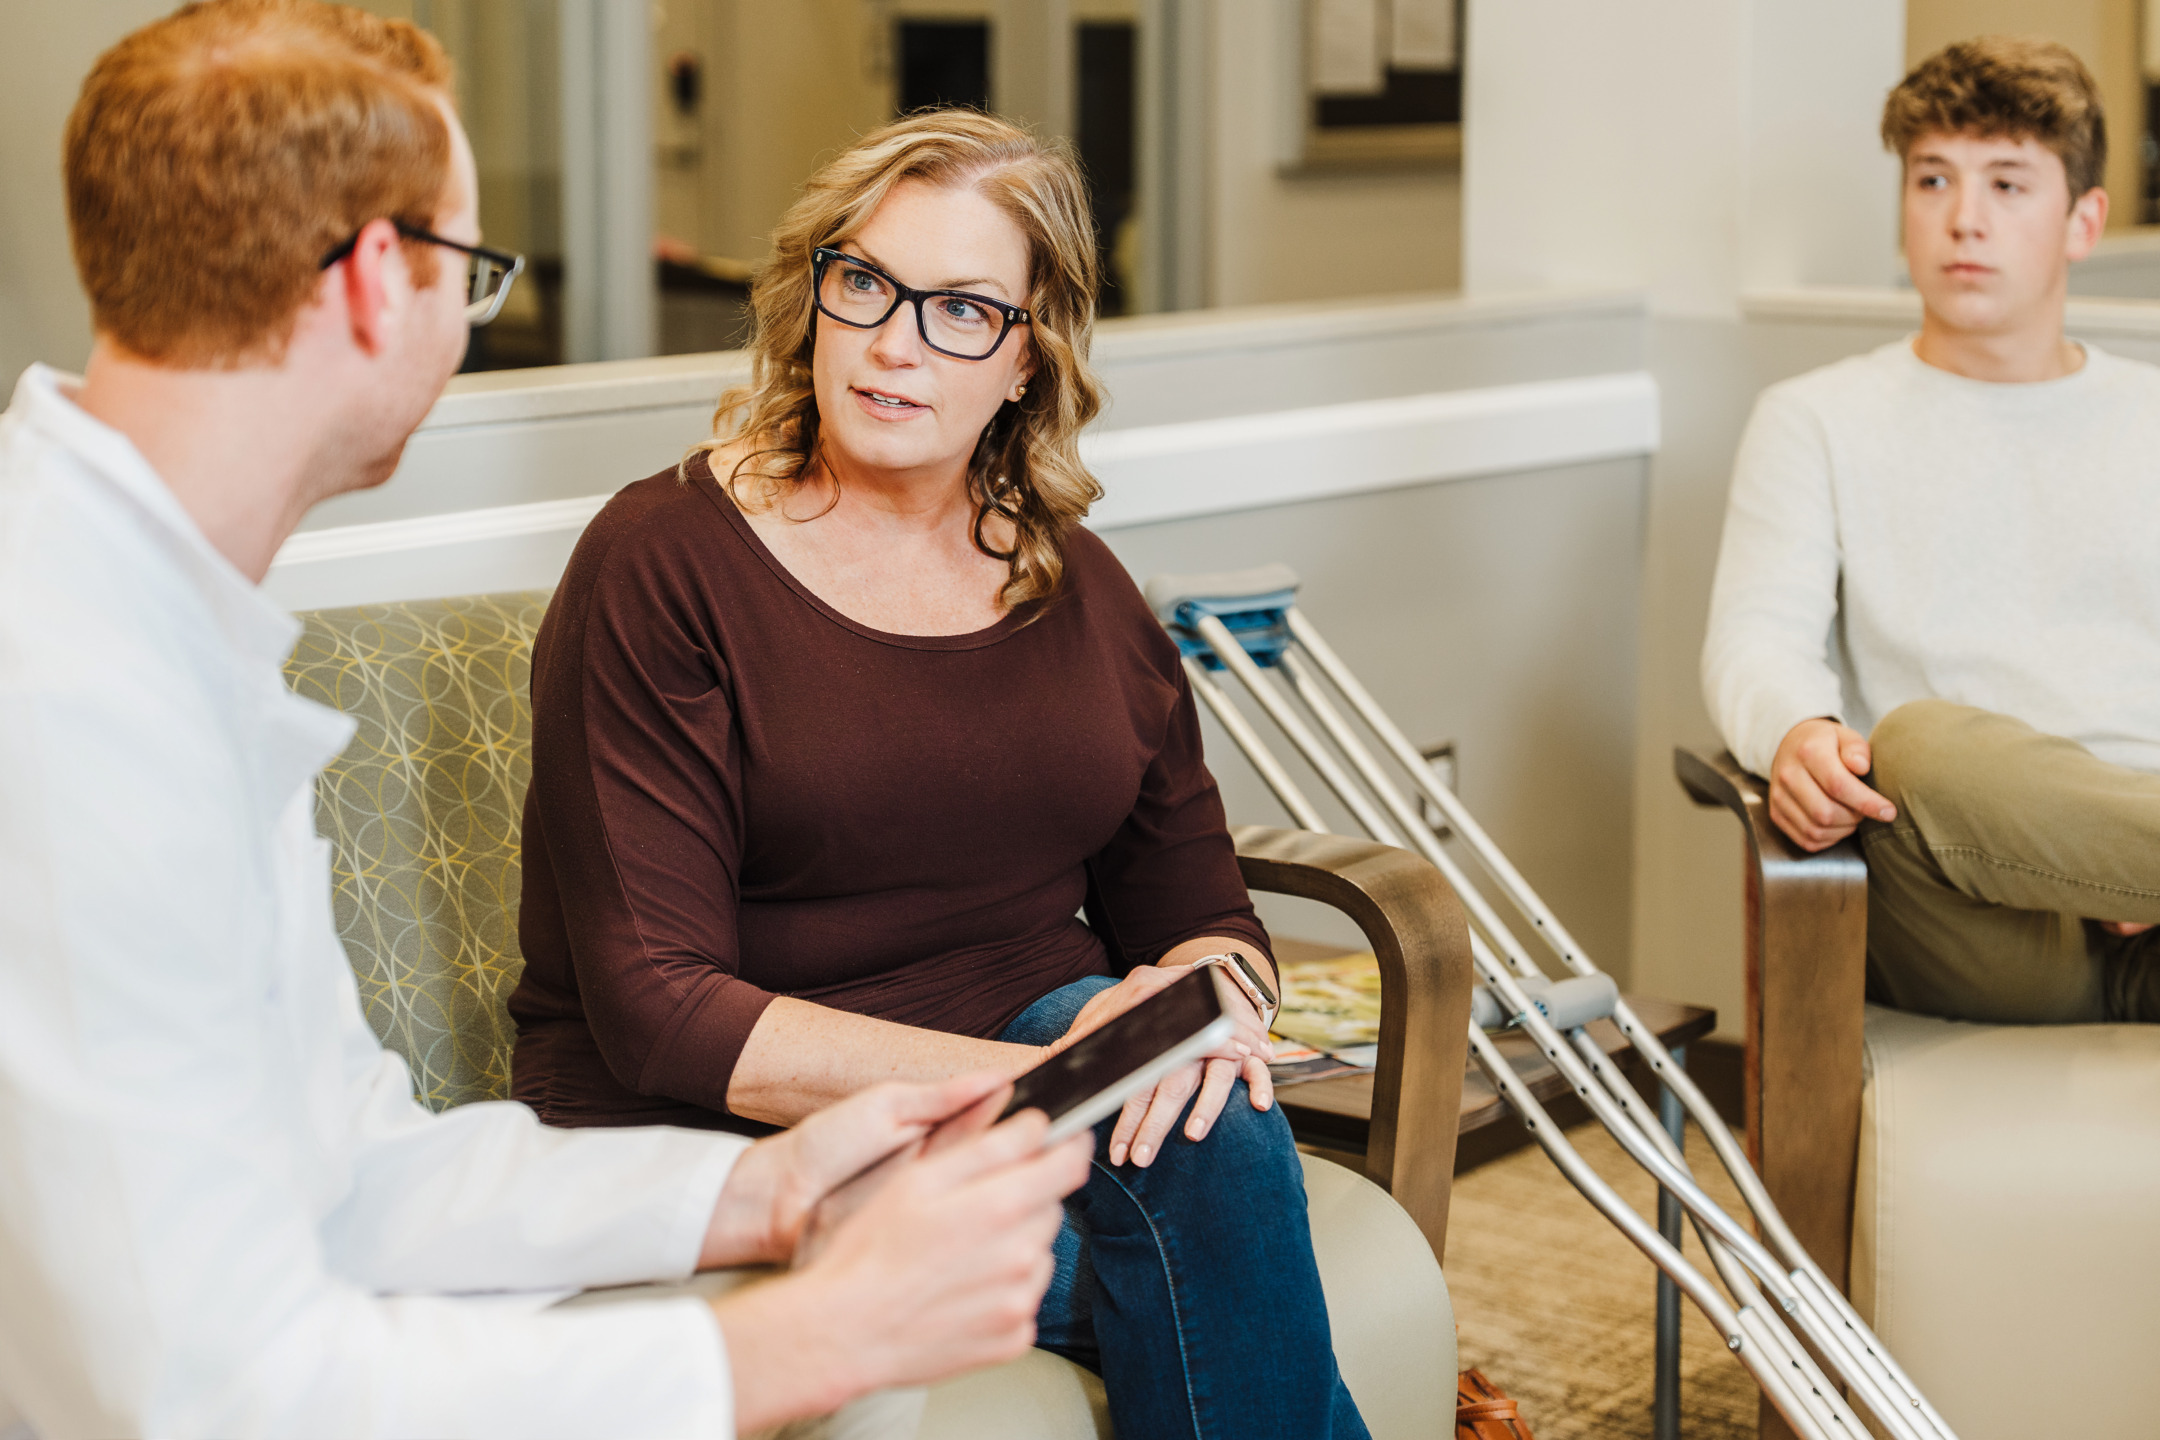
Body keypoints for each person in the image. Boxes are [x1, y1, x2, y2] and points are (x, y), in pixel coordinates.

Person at [0, 5, 1093, 1437]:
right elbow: (214, 1391)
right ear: (384, 284)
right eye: (472, 268)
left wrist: (756, 1189)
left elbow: (354, 1165)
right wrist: (798, 1345)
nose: (475, 318)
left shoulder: (151, 619)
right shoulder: (69, 698)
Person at [508, 110, 1369, 1439]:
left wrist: (1215, 1001)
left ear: (1032, 355)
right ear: (816, 296)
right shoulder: (662, 563)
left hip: (1023, 1096)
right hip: (746, 1134)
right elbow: (659, 1011)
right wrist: (1027, 1081)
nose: (895, 342)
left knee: (1217, 1127)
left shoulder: (1080, 583)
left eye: (963, 308)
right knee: (1225, 1233)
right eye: (867, 283)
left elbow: (1197, 901)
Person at [1702, 36, 2160, 1026]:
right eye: (1934, 179)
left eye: (2007, 184)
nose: (1965, 219)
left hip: (2150, 925)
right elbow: (1756, 639)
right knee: (1916, 744)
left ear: (2084, 221)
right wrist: (1797, 734)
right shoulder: (1816, 416)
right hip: (1977, 928)